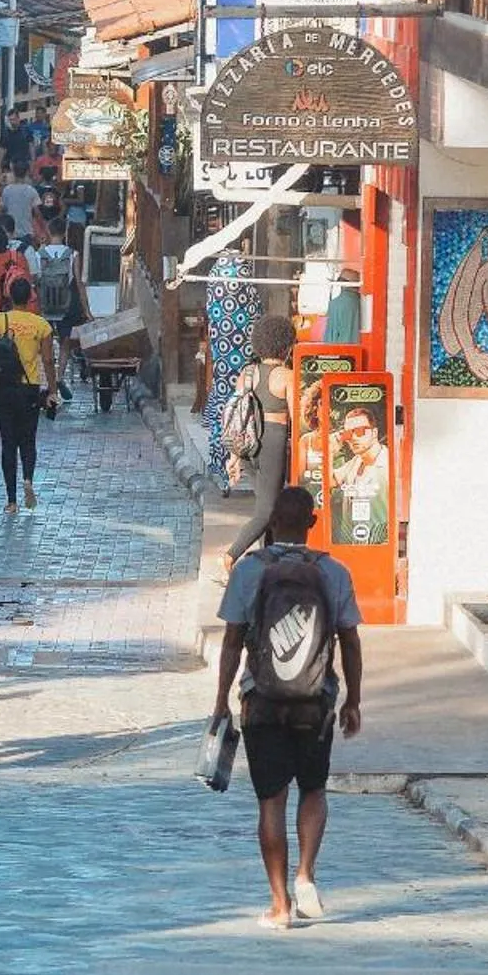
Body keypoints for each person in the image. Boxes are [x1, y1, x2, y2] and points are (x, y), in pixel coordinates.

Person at [210, 485, 363, 929]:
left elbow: (233, 640)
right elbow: (350, 639)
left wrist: (221, 699)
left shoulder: (248, 572)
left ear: (272, 524)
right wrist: (354, 697)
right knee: (313, 790)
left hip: (263, 701)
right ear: (312, 524)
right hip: (315, 704)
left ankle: (279, 906)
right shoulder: (333, 572)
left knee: (270, 801)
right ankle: (306, 874)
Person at [221, 315, 297, 574]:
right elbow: (299, 420)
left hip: (247, 446)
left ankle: (270, 563)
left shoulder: (247, 373)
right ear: (286, 345)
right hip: (273, 444)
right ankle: (231, 556)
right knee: (266, 511)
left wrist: (233, 457)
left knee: (270, 504)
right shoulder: (286, 376)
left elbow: (236, 416)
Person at [0, 270, 55, 514]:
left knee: (7, 442)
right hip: (30, 389)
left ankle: (11, 501)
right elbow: (47, 360)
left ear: (10, 296)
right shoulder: (41, 325)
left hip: (4, 388)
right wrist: (53, 390)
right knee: (28, 439)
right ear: (30, 298)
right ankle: (28, 479)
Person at [27, 212, 86, 400]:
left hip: (45, 306)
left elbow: (34, 280)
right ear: (65, 232)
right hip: (65, 305)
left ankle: (46, 380)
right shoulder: (72, 254)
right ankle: (59, 376)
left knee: (43, 344)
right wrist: (87, 309)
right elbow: (78, 282)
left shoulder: (39, 254)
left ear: (48, 231)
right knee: (65, 343)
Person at [332, 406, 391, 545]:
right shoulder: (356, 462)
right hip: (350, 547)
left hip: (377, 548)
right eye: (348, 434)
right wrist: (329, 451)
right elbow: (329, 482)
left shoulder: (389, 463)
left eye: (360, 431)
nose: (353, 438)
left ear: (374, 432)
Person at [0, 169, 41, 244]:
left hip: (10, 232)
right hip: (26, 231)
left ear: (14, 174)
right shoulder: (31, 190)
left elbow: (3, 209)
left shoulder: (6, 190)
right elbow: (37, 212)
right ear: (26, 174)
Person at [0, 104, 34, 179]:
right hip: (10, 165)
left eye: (14, 119)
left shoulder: (26, 130)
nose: (12, 122)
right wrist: (0, 164)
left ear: (18, 118)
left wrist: (32, 163)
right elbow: (2, 150)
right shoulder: (5, 133)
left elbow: (31, 146)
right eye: (10, 120)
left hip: (24, 164)